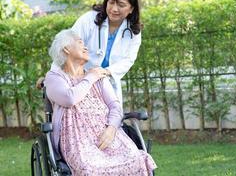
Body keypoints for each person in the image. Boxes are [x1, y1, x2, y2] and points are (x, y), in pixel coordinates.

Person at [44, 29, 156, 175]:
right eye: (80, 43)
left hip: (108, 135)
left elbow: (115, 106)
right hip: (77, 141)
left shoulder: (99, 76)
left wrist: (112, 128)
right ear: (66, 49)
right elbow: (69, 98)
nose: (85, 47)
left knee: (136, 158)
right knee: (90, 168)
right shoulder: (54, 77)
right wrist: (90, 77)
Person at [72, 0, 142, 104]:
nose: (114, 9)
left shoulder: (133, 31)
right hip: (81, 82)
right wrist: (53, 76)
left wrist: (106, 71)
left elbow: (128, 60)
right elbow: (68, 46)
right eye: (111, 2)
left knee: (112, 119)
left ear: (131, 9)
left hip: (108, 84)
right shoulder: (89, 19)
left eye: (121, 5)